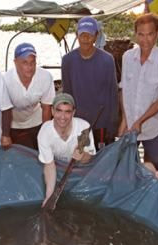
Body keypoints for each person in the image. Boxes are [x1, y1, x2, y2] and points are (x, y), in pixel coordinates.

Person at [118, 13, 158, 169]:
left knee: (155, 169)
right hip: (130, 126)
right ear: (136, 35)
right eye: (141, 34)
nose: (145, 40)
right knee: (126, 168)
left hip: (154, 127)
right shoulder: (127, 57)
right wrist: (124, 120)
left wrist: (140, 121)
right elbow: (124, 90)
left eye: (150, 34)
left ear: (157, 34)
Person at [61, 16, 119, 150]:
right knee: (80, 158)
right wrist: (66, 122)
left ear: (96, 36)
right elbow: (67, 94)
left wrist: (112, 125)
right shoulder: (68, 60)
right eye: (82, 35)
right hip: (78, 123)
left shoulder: (107, 60)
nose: (86, 38)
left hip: (102, 123)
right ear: (77, 36)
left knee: (101, 160)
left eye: (90, 35)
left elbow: (113, 94)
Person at [37, 93, 96, 207]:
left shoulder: (83, 128)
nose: (63, 116)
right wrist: (49, 197)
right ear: (52, 111)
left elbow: (90, 159)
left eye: (67, 112)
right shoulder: (45, 131)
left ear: (73, 112)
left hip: (80, 171)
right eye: (59, 111)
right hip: (56, 169)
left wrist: (83, 156)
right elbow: (49, 165)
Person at [4, 42, 55, 150]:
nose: (30, 67)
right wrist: (5, 134)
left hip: (36, 121)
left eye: (33, 62)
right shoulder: (5, 80)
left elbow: (46, 108)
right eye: (25, 63)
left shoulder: (45, 77)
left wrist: (45, 133)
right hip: (13, 124)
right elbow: (3, 111)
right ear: (15, 62)